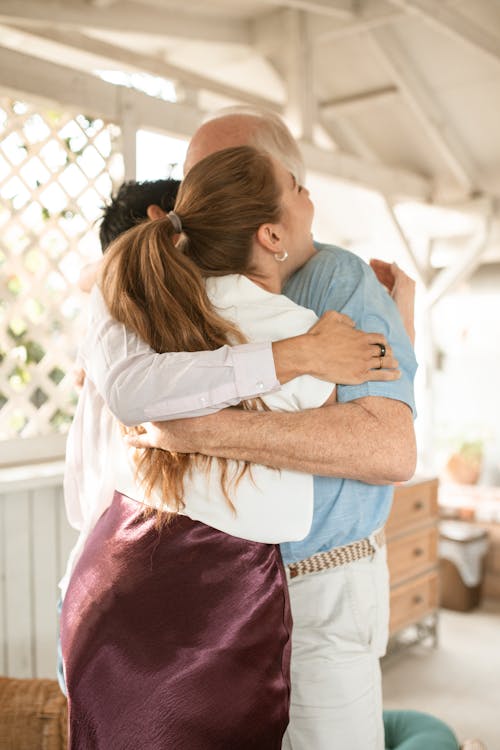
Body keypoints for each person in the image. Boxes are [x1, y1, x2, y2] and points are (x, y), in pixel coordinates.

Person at [60, 145, 394, 749]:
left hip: (111, 565)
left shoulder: (151, 303)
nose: (308, 196)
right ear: (270, 234)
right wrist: (396, 320)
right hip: (218, 596)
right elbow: (372, 421)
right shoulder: (299, 330)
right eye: (296, 186)